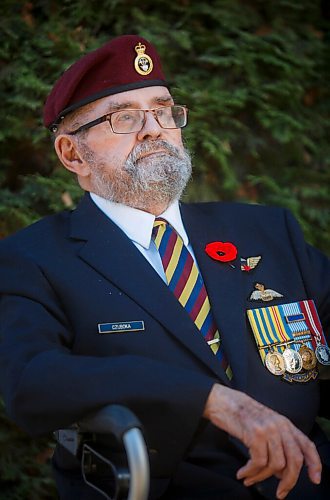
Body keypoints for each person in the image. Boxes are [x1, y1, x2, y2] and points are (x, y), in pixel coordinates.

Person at [0, 34, 329, 500]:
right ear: (73, 155)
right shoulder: (33, 259)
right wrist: (207, 399)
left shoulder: (268, 232)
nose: (154, 128)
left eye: (163, 110)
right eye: (125, 117)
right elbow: (32, 383)